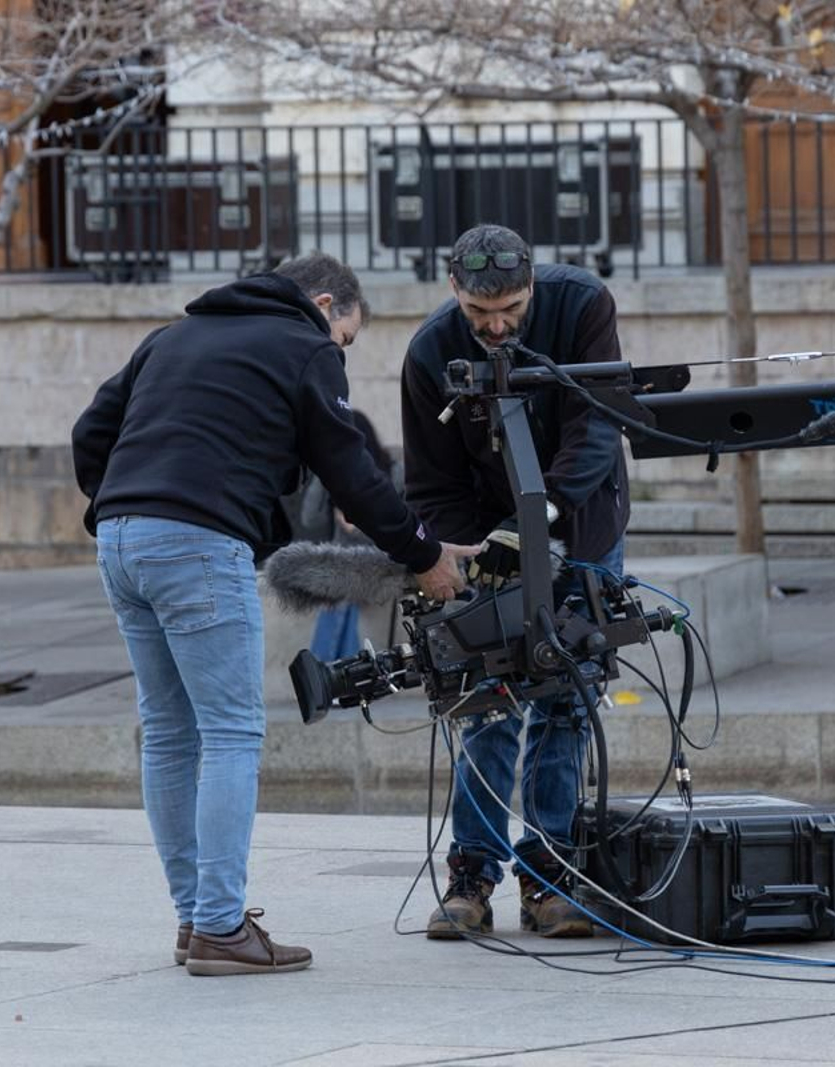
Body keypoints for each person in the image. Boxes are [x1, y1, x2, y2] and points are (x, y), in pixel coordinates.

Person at [72, 253, 481, 976]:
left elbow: (89, 434)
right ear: (325, 303)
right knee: (231, 731)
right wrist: (422, 551)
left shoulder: (171, 338)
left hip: (119, 539)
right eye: (346, 338)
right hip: (197, 543)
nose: (340, 353)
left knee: (169, 732)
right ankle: (222, 927)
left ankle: (195, 918)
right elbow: (353, 470)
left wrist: (127, 505)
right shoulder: (304, 347)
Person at [400, 224, 629, 939]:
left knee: (567, 691)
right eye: (480, 315)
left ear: (532, 286)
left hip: (580, 521)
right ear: (454, 294)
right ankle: (471, 875)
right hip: (483, 539)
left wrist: (547, 514)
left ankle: (551, 873)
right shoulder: (430, 351)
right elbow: (432, 481)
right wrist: (467, 553)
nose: (497, 326)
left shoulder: (584, 304)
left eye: (512, 310)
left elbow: (599, 425)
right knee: (485, 699)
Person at [299, 408, 402, 660]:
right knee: (340, 595)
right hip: (341, 565)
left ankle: (326, 669)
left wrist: (360, 526)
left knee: (338, 593)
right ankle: (347, 672)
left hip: (378, 563)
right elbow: (309, 518)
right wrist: (324, 475)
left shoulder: (393, 471)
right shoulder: (335, 475)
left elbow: (402, 524)